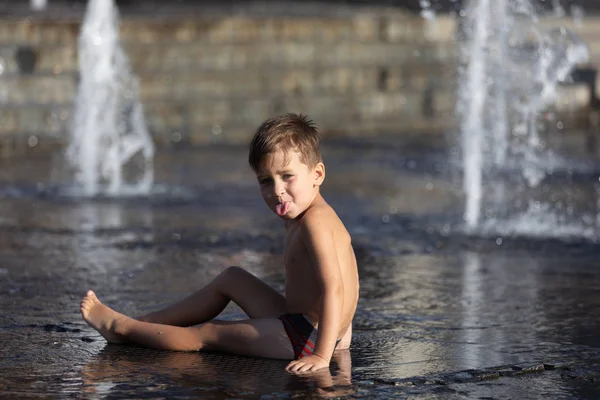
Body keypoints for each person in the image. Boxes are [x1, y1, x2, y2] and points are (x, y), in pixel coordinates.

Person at [80, 113, 360, 373]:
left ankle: (122, 328)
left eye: (287, 176)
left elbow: (333, 287)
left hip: (309, 338)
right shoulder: (308, 213)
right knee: (233, 277)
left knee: (208, 334)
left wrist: (322, 356)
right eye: (266, 180)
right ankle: (148, 322)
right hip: (317, 326)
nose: (277, 191)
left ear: (317, 175)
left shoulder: (316, 222)